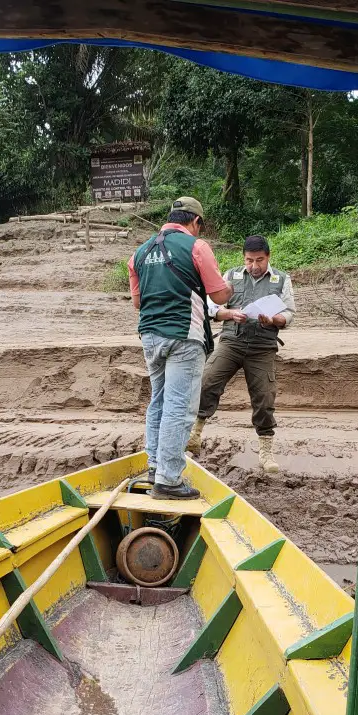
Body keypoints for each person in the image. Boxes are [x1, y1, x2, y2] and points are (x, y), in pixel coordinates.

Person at [128, 197, 233, 499]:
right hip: (184, 335)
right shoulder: (197, 247)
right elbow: (220, 295)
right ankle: (169, 479)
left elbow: (138, 302)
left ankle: (155, 466)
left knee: (158, 400)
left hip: (150, 335)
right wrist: (231, 288)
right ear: (196, 222)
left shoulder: (139, 252)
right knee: (179, 406)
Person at [186, 234, 296, 473]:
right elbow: (212, 307)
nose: (254, 266)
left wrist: (274, 319)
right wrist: (229, 313)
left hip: (262, 347)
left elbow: (289, 313)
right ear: (243, 258)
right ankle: (195, 434)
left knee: (265, 398)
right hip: (231, 341)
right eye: (249, 260)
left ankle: (266, 451)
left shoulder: (282, 279)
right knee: (207, 381)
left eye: (259, 260)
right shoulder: (231, 276)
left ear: (268, 257)